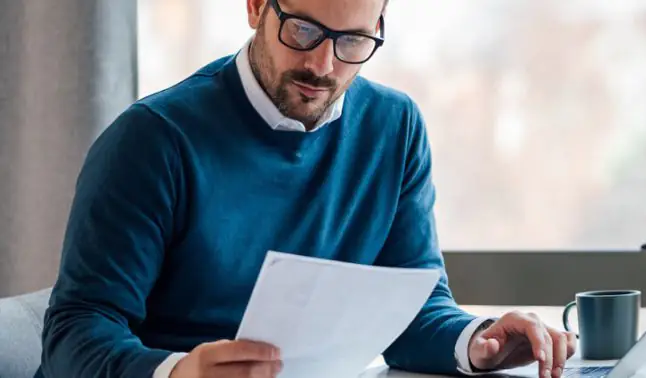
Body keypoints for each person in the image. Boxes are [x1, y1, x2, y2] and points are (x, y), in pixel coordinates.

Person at [34, 0, 576, 377]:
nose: (323, 64)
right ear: (255, 9)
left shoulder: (395, 128)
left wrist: (478, 342)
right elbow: (74, 334)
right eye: (303, 31)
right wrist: (176, 371)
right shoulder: (153, 140)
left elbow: (413, 307)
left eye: (354, 41)